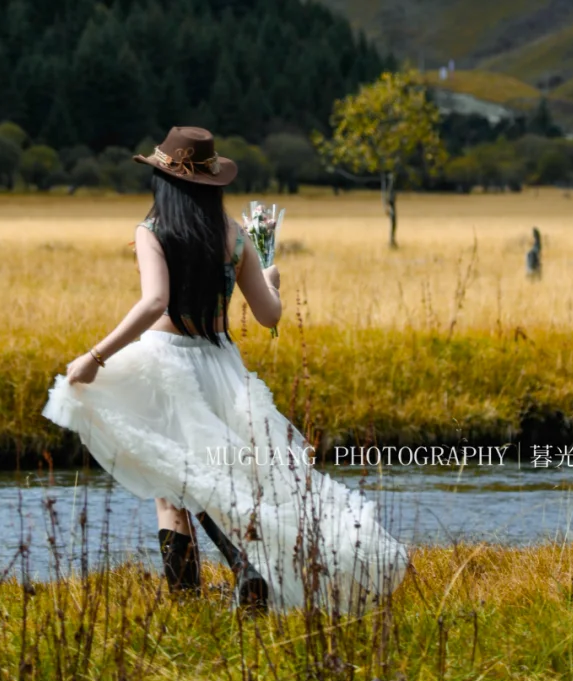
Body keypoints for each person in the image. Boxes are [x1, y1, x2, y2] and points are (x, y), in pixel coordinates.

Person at [41, 125, 408, 613]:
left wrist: (94, 357)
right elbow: (270, 316)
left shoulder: (151, 231)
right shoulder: (234, 235)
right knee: (214, 479)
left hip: (166, 364)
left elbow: (155, 303)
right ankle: (247, 569)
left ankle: (193, 603)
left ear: (166, 182)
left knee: (174, 486)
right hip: (222, 368)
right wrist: (270, 281)